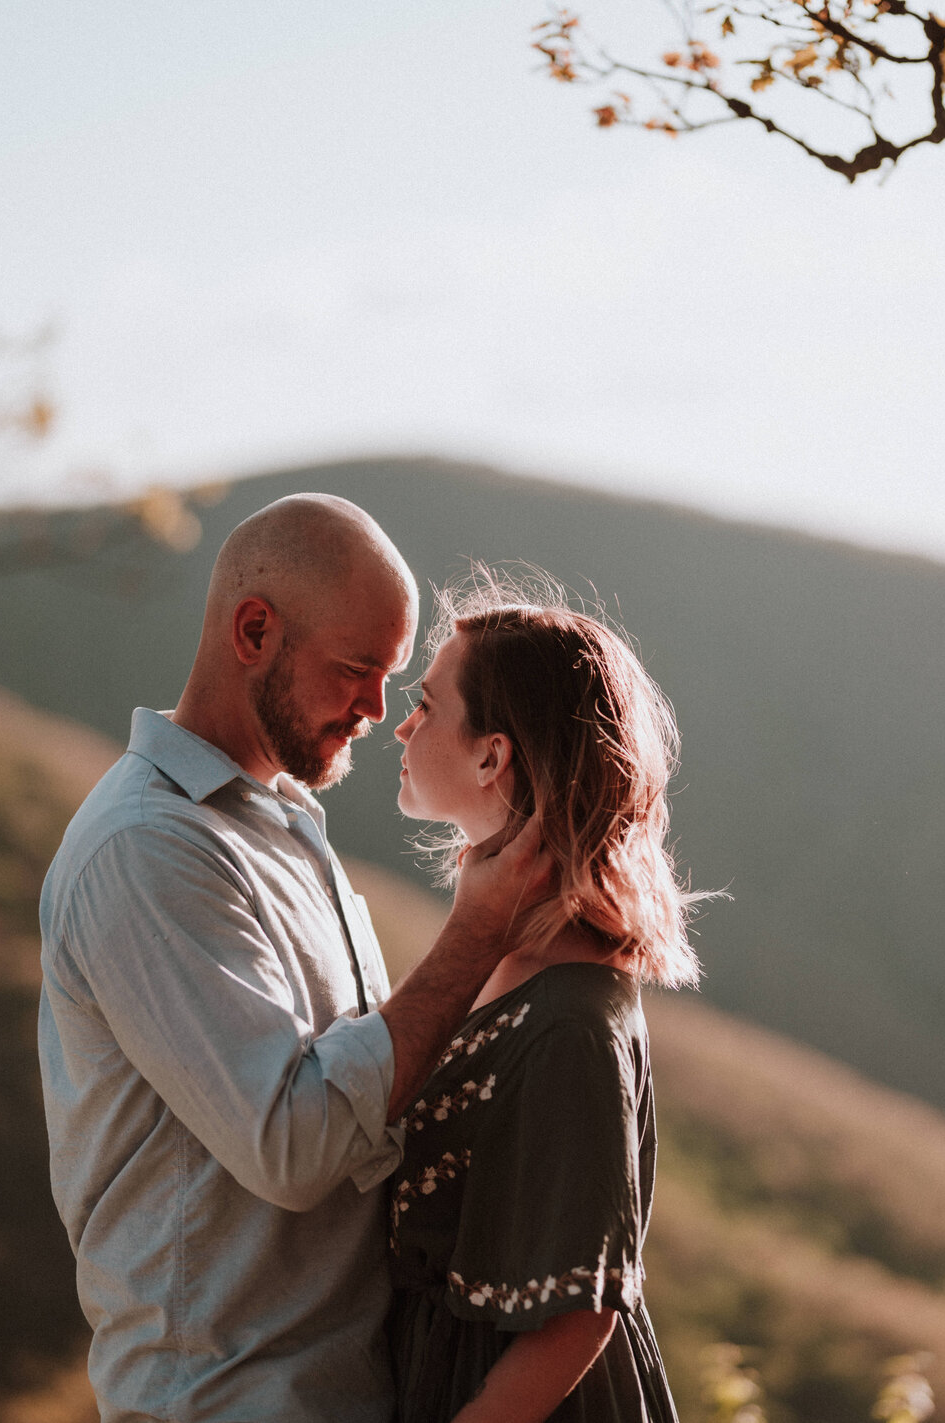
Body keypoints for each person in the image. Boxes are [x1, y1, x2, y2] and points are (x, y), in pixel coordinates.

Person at [38, 496, 549, 1423]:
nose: (376, 710)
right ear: (254, 629)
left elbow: (369, 1107)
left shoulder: (284, 824)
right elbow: (295, 1145)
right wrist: (477, 932)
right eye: (357, 669)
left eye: (392, 677)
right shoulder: (147, 850)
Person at [388, 577, 706, 1423]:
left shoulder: (569, 1015)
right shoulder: (510, 960)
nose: (402, 724)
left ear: (493, 755)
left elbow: (577, 1320)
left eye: (425, 704)